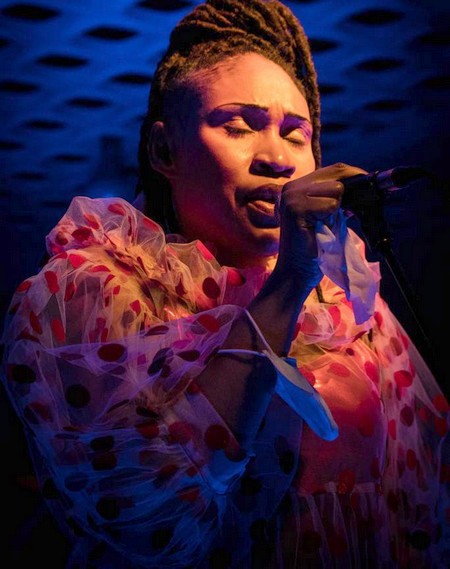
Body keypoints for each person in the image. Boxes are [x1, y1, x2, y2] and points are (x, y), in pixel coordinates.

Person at [1, 1, 449, 567]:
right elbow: (154, 520)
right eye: (237, 126)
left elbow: (420, 505)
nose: (277, 158)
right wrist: (288, 282)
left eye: (296, 134)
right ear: (164, 150)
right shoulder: (92, 291)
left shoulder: (342, 303)